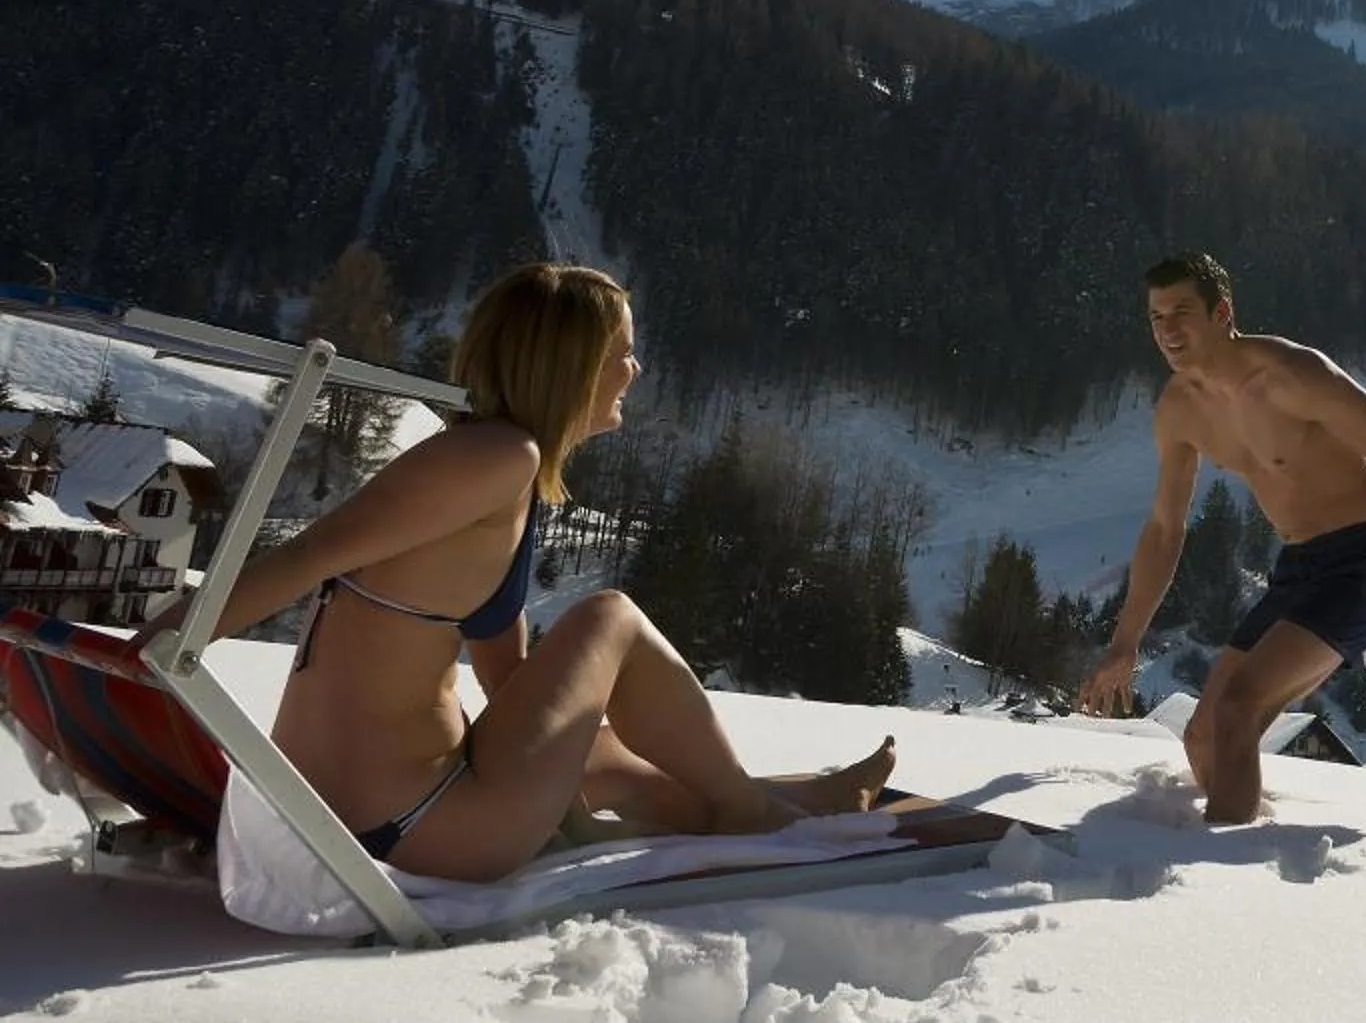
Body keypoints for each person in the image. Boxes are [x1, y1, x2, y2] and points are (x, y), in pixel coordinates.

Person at [146, 262, 893, 882]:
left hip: (356, 809)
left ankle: (766, 803)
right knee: (611, 618)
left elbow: (518, 690)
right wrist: (168, 642)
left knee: (594, 747)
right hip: (404, 827)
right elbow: (311, 556)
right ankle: (756, 814)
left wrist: (582, 799)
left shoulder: (484, 465)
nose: (635, 370)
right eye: (621, 352)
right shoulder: (500, 460)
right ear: (572, 367)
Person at [1080, 252, 1366, 822]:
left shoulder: (1290, 375)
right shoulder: (1179, 409)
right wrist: (1126, 642)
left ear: (1222, 313)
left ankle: (1218, 872)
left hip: (1365, 560)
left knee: (1239, 708)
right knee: (1203, 740)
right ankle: (1248, 842)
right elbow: (1165, 527)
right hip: (1299, 567)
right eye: (1155, 317)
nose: (1168, 330)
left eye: (1182, 313)